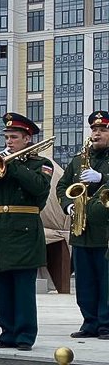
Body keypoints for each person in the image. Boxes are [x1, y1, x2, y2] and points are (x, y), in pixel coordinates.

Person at [0, 113, 52, 351]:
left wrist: (14, 166)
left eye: (14, 137)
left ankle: (25, 335)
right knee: (4, 286)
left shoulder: (41, 164)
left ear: (27, 139)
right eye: (7, 137)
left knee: (23, 288)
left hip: (25, 229)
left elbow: (38, 189)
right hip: (0, 229)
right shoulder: (2, 164)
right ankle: (7, 333)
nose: (8, 142)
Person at [56, 111, 109, 339]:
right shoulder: (79, 159)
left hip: (105, 232)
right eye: (94, 130)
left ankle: (106, 324)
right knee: (85, 282)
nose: (96, 134)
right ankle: (90, 322)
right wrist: (68, 205)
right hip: (81, 232)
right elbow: (62, 186)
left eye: (103, 130)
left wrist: (102, 178)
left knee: (106, 282)